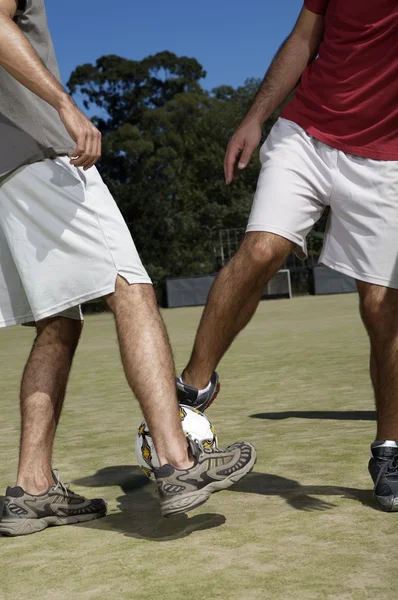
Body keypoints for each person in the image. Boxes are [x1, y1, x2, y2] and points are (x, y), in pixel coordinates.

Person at [0, 0, 256, 537]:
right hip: (41, 151)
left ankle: (33, 489)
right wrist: (65, 105)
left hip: (5, 170)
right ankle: (177, 463)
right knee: (130, 286)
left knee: (60, 321)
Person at [177, 0, 398, 511]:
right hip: (307, 133)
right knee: (260, 250)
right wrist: (255, 117)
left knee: (383, 307)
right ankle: (191, 392)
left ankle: (389, 449)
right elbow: (303, 39)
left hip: (386, 158)